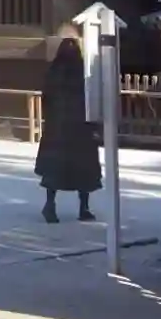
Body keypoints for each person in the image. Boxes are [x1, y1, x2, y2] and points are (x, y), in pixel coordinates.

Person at [35, 27, 101, 223]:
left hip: (59, 128)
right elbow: (91, 98)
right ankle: (83, 207)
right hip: (80, 128)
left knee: (54, 170)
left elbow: (46, 97)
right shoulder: (84, 73)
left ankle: (51, 205)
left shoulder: (54, 71)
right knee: (83, 170)